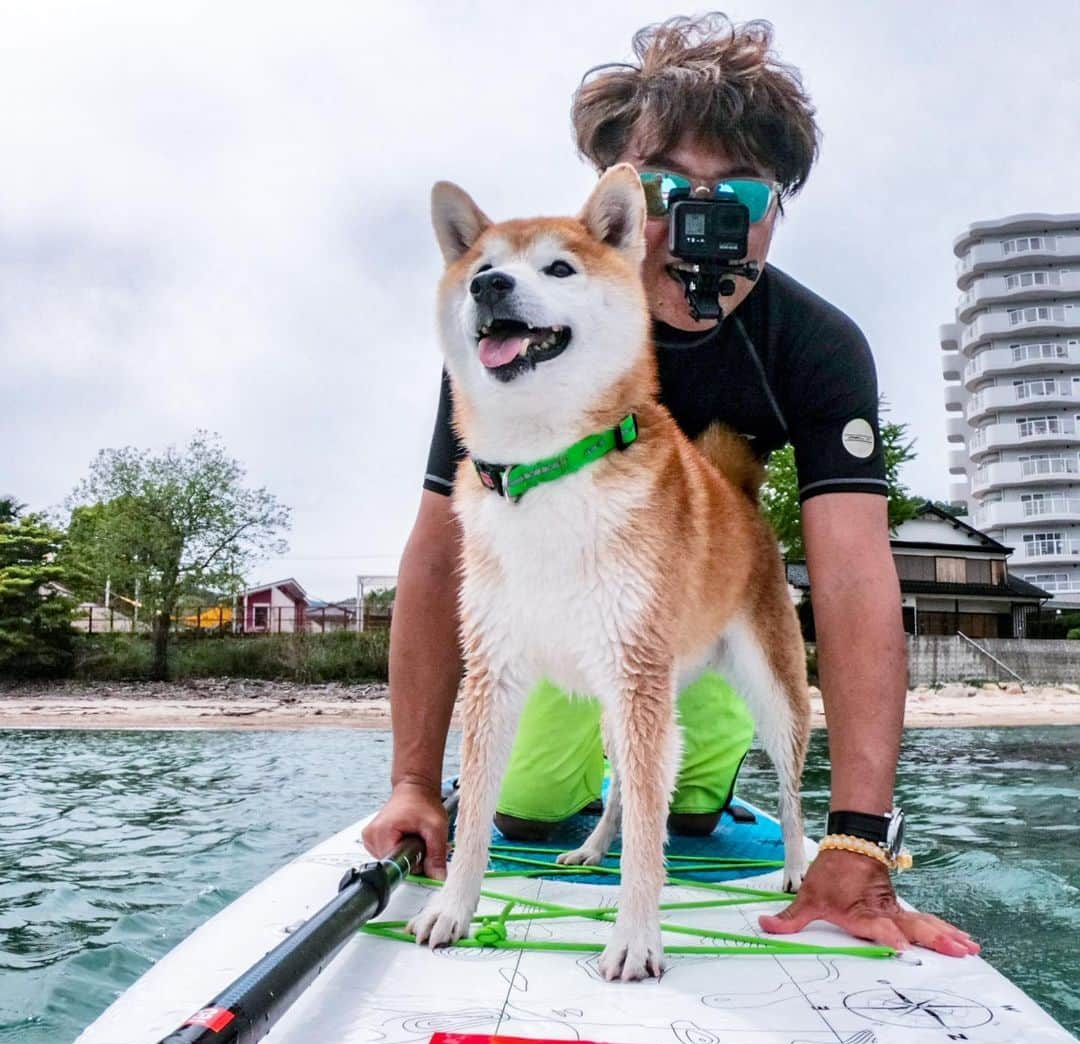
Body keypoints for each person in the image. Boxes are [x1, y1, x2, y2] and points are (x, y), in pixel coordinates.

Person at [363, 13, 979, 958]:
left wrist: (857, 831)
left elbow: (855, 573)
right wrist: (411, 778)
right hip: (561, 593)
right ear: (615, 202)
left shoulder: (814, 345)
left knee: (693, 798)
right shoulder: (513, 337)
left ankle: (699, 800)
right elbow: (441, 550)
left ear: (776, 208)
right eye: (662, 189)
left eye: (739, 192)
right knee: (527, 809)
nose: (700, 220)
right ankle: (559, 798)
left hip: (698, 593)